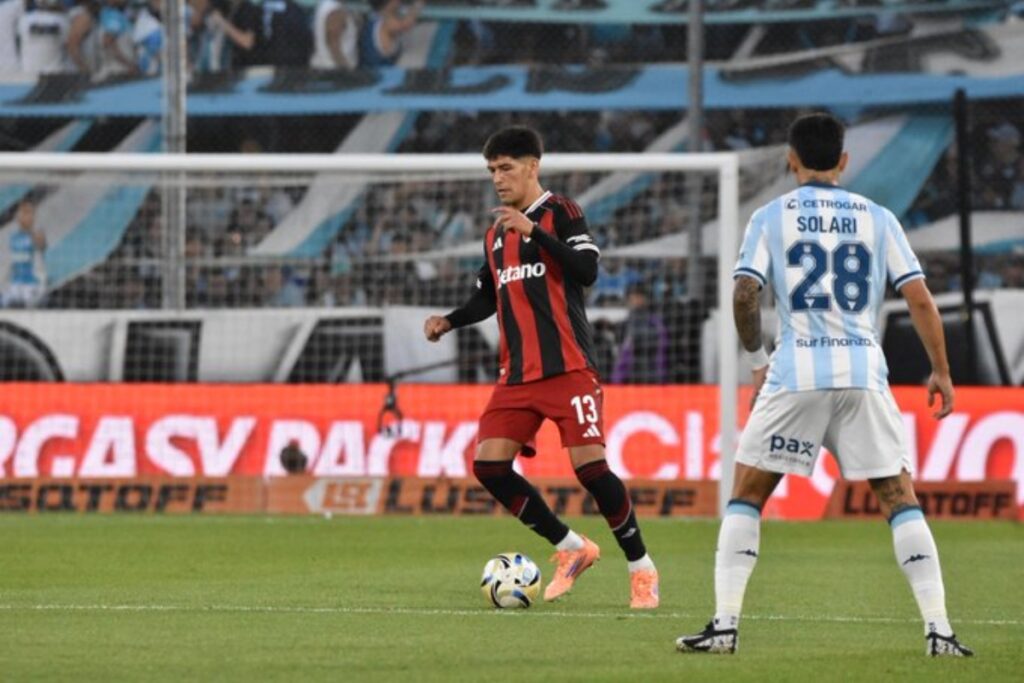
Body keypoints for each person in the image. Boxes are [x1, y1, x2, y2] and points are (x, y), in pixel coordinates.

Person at [675, 113, 973, 657]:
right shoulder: (878, 217)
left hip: (797, 373)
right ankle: (940, 631)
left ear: (791, 159)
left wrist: (756, 360)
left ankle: (724, 627)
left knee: (747, 495)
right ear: (844, 160)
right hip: (863, 371)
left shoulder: (771, 216)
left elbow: (745, 293)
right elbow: (920, 298)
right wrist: (942, 370)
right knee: (899, 498)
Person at [423, 126, 659, 609]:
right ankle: (572, 548)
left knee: (590, 468)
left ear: (533, 166)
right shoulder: (494, 234)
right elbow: (488, 297)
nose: (497, 178)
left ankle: (642, 569)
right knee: (488, 465)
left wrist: (534, 233)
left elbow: (587, 271)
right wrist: (449, 320)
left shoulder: (562, 212)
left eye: (506, 167)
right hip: (517, 375)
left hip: (569, 367)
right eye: (492, 170)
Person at [611, 281, 669, 384]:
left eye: (639, 296)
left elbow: (662, 350)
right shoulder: (625, 324)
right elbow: (621, 353)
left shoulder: (656, 322)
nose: (636, 300)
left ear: (646, 298)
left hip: (652, 376)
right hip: (628, 378)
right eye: (633, 297)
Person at [4, 198, 48, 308]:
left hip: (33, 285)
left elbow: (42, 244)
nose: (27, 216)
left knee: (27, 305)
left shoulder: (37, 235)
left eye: (30, 213)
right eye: (24, 213)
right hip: (15, 285)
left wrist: (35, 235)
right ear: (18, 217)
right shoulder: (13, 237)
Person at [358, 0, 422, 67]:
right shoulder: (386, 23)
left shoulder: (373, 18)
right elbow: (406, 24)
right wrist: (419, 3)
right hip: (379, 72)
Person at [17, 0, 69, 76]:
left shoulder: (24, 19)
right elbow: (66, 44)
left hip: (28, 73)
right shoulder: (63, 20)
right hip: (55, 74)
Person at [310, 0, 359, 70]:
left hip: (325, 68)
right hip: (334, 71)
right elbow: (333, 45)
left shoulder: (327, 5)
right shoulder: (335, 11)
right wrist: (346, 70)